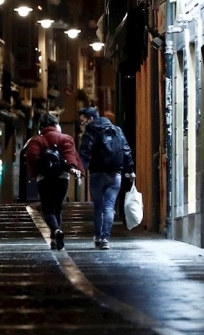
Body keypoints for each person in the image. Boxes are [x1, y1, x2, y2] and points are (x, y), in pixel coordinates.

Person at [77, 107, 135, 250]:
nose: (82, 124)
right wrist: (131, 170)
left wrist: (80, 170)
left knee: (98, 207)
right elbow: (126, 150)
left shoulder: (90, 131)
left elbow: (85, 151)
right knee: (109, 207)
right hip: (115, 174)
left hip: (97, 174)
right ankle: (105, 239)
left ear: (91, 119)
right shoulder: (116, 130)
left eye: (83, 121)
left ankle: (97, 237)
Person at [24, 114, 84, 251]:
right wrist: (73, 169)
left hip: (44, 179)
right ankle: (55, 239)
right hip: (62, 178)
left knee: (48, 209)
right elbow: (70, 155)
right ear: (56, 125)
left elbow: (32, 157)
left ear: (41, 127)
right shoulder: (65, 138)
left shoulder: (37, 140)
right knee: (58, 207)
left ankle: (56, 232)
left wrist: (37, 170)